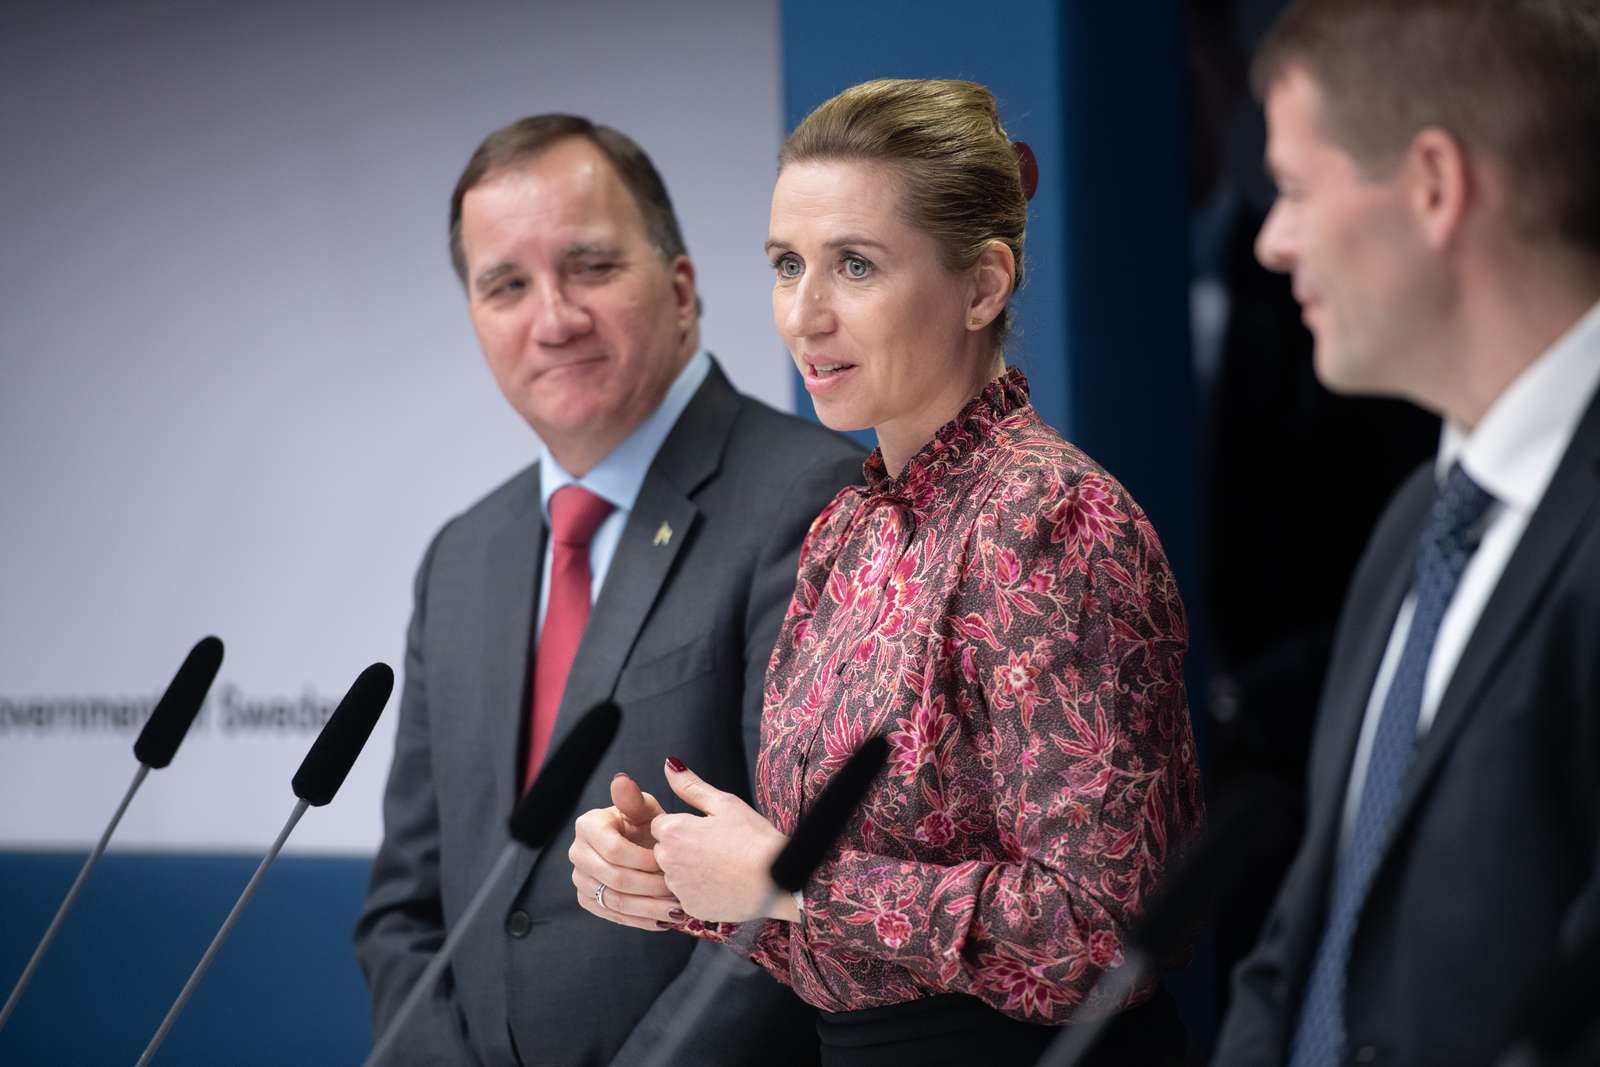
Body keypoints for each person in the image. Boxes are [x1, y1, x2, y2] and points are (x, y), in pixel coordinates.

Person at [570, 79, 1204, 1065]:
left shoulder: (1050, 517)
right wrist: (684, 879)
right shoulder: (847, 528)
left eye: (854, 266)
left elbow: (1100, 929)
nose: (803, 314)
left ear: (983, 284)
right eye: (787, 265)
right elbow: (846, 930)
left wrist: (784, 877)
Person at [353, 114, 862, 1066]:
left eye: (588, 267)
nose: (552, 318)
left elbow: (799, 893)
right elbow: (406, 912)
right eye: (505, 284)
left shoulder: (810, 500)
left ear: (680, 289)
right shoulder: (462, 558)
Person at [1214, 2, 1600, 1065]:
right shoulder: (1412, 528)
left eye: (1293, 188)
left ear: (1433, 185)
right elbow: (1304, 940)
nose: (1268, 236)